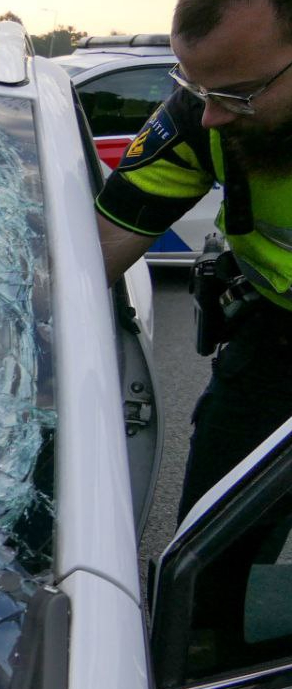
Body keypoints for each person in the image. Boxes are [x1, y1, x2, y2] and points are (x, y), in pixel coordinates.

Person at [95, 0, 292, 523]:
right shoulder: (199, 115)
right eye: (197, 87)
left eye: (239, 94)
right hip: (276, 347)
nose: (211, 116)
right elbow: (95, 259)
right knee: (211, 539)